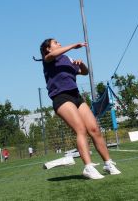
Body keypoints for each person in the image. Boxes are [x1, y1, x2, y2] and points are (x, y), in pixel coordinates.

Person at [37, 39, 121, 179]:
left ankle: (108, 163)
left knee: (94, 129)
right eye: (55, 43)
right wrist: (73, 46)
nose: (59, 43)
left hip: (76, 96)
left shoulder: (66, 58)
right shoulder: (48, 59)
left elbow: (84, 72)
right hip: (61, 98)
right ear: (48, 49)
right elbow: (53, 55)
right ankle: (88, 167)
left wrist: (81, 64)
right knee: (80, 129)